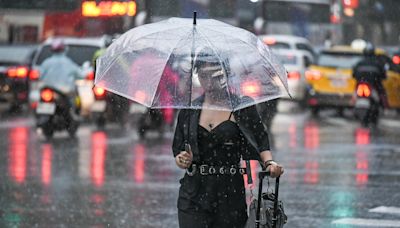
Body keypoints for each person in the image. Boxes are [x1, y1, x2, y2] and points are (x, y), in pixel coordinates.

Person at [172, 48, 284, 228]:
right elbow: (178, 150)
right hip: (193, 193)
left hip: (230, 192)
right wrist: (182, 159)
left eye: (214, 74)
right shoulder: (189, 111)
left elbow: (260, 138)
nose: (209, 81)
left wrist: (269, 163)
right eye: (203, 75)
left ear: (225, 74)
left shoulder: (242, 107)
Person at [39, 39, 84, 103]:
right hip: (64, 92)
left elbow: (40, 76)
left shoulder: (46, 62)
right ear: (64, 49)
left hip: (48, 91)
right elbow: (80, 75)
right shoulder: (69, 63)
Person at [352, 42, 388, 108]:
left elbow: (353, 74)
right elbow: (383, 74)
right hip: (374, 83)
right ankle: (384, 106)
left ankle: (352, 104)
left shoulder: (360, 62)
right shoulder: (377, 63)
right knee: (382, 93)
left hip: (362, 82)